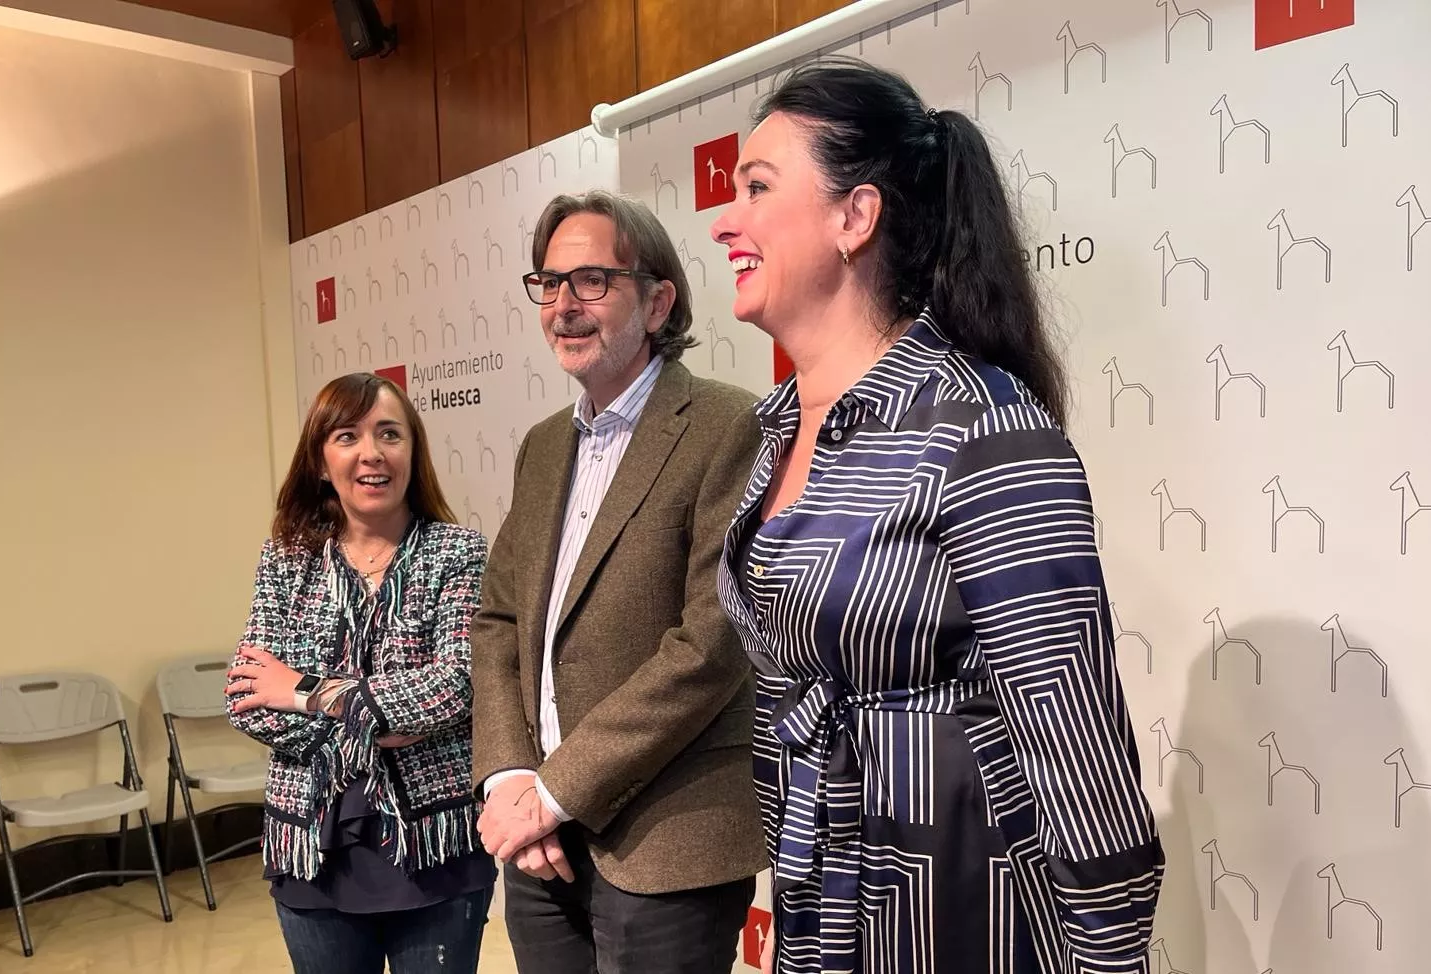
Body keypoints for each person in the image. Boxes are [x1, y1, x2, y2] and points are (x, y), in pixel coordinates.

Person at [708, 57, 1165, 974]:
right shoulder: (773, 433)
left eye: (757, 187)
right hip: (819, 895)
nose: (726, 221)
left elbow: (1074, 734)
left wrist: (1110, 954)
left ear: (855, 216)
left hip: (962, 907)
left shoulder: (980, 428)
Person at [470, 189, 766, 974]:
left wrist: (555, 790)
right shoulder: (541, 447)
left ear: (659, 300)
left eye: (591, 281)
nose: (563, 305)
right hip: (538, 840)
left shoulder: (728, 425)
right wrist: (508, 779)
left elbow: (711, 642)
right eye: (548, 284)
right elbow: (498, 622)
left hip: (668, 840)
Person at [225, 372, 495, 974]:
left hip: (436, 850)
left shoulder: (459, 552)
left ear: (412, 452)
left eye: (389, 434)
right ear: (322, 462)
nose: (371, 453)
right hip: (311, 849)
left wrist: (303, 691)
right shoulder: (286, 559)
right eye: (348, 435)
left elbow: (453, 690)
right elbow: (248, 697)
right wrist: (384, 714)